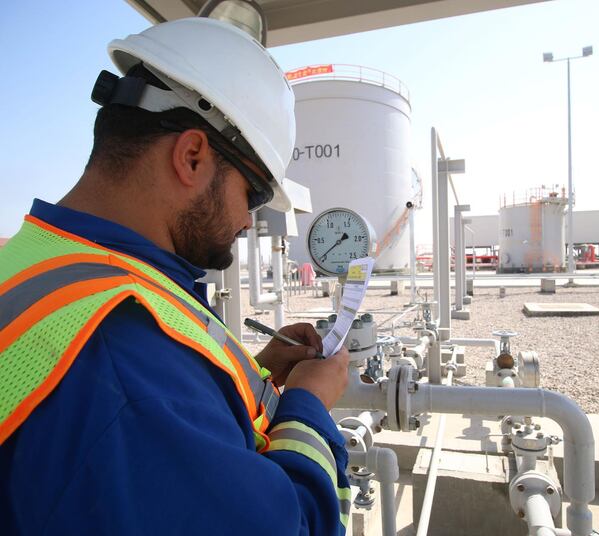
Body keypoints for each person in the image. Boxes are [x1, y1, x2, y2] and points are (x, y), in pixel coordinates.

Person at [0, 17, 351, 535]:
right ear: (191, 157)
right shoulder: (124, 365)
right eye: (253, 193)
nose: (248, 219)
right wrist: (308, 405)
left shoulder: (41, 260)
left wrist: (239, 378)